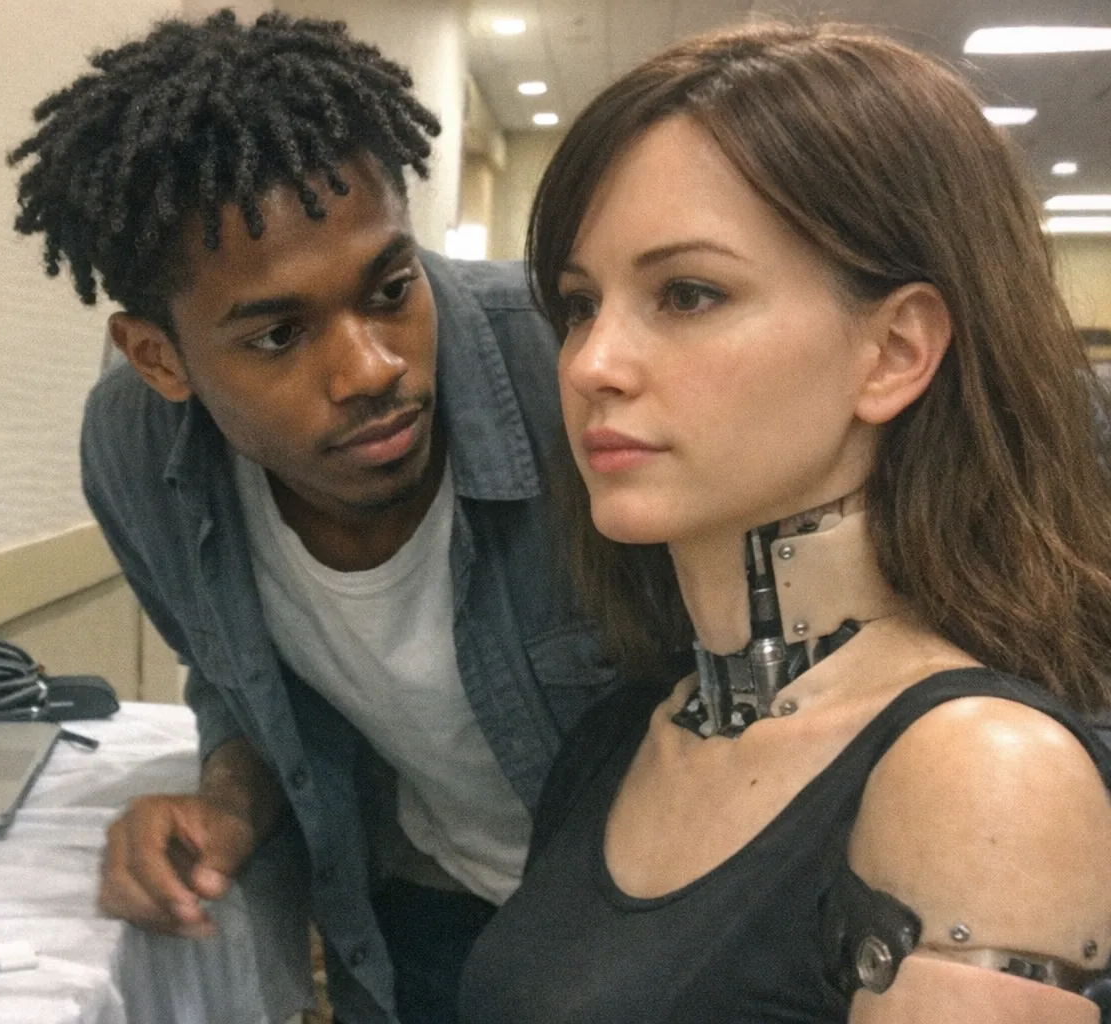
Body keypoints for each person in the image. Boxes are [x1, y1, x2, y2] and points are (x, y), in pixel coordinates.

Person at [458, 22, 1111, 1024]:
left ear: (894, 352)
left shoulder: (984, 773)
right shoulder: (616, 739)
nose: (591, 364)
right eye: (580, 304)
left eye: (688, 294)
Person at [8, 11, 622, 1023]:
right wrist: (227, 806)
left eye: (390, 290)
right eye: (278, 335)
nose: (371, 369)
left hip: (664, 929)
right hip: (421, 913)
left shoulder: (571, 368)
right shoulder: (134, 454)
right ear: (158, 358)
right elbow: (239, 681)